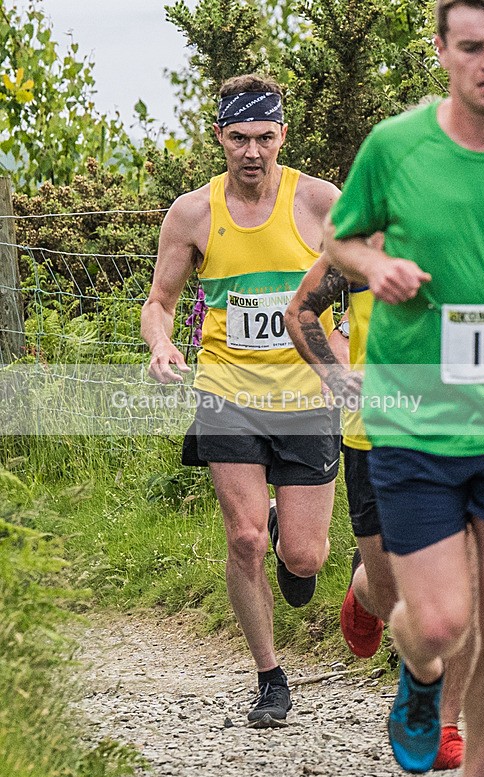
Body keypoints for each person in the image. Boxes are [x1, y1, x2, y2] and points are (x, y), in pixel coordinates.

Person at [322, 1, 484, 777]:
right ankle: (417, 670)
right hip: (417, 421)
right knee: (440, 621)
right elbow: (337, 239)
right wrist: (371, 268)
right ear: (441, 50)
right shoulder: (396, 147)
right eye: (470, 46)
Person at [141, 74, 341, 728]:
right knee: (244, 536)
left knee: (303, 559)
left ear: (282, 134)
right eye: (238, 138)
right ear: (219, 137)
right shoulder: (191, 214)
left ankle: (290, 525)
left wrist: (345, 349)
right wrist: (162, 347)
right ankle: (268, 676)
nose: (251, 152)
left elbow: (366, 289)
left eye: (263, 137)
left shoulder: (319, 203)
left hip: (307, 395)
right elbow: (158, 303)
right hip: (226, 391)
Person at [285, 251, 479, 771]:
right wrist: (336, 376)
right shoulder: (366, 241)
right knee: (395, 592)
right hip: (376, 436)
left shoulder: (478, 225)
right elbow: (301, 310)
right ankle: (363, 590)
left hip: (461, 432)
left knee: (465, 583)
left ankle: (443, 720)